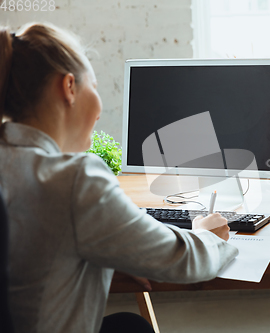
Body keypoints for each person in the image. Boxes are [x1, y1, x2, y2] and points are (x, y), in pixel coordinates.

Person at [0, 22, 238, 333]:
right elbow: (182, 260)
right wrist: (208, 233)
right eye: (94, 87)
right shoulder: (75, 180)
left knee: (129, 326)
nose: (99, 107)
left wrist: (117, 254)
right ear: (69, 87)